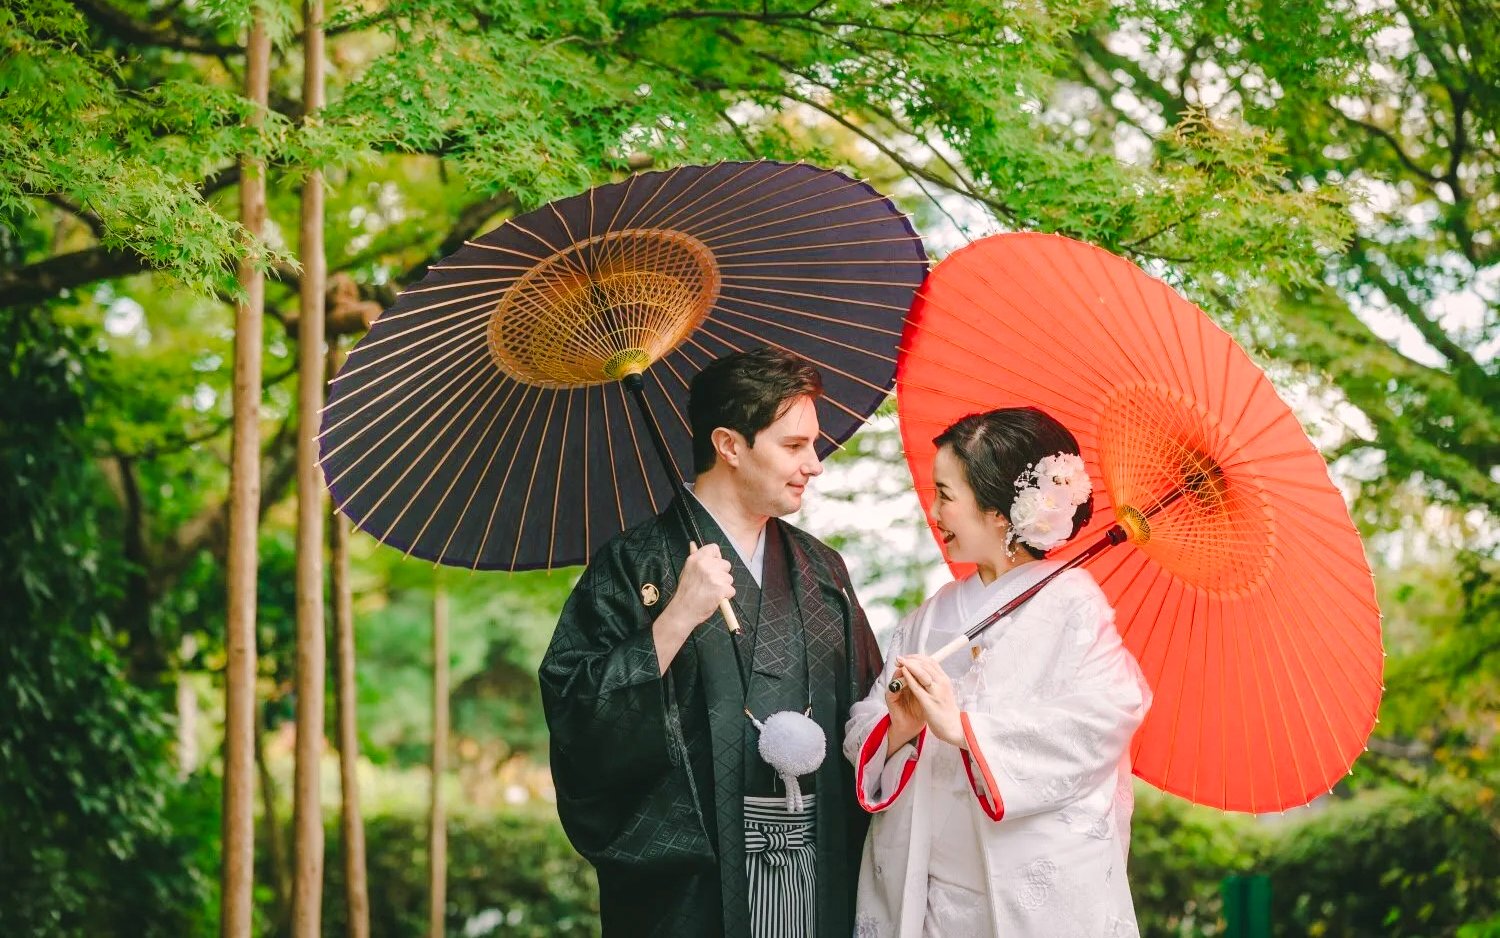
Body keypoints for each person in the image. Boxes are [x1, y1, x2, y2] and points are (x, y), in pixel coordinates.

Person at [540, 347, 884, 937]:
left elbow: (864, 712)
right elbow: (576, 713)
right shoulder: (634, 563)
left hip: (817, 864)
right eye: (794, 446)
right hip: (692, 886)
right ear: (729, 445)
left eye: (813, 445)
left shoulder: (822, 570)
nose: (815, 464)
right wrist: (676, 618)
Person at [845, 407, 1151, 938]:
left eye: (946, 494)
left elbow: (1105, 717)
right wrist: (900, 727)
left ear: (998, 514)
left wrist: (964, 729)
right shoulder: (934, 612)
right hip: (930, 893)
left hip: (1027, 889)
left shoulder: (1073, 602)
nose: (935, 511)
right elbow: (868, 716)